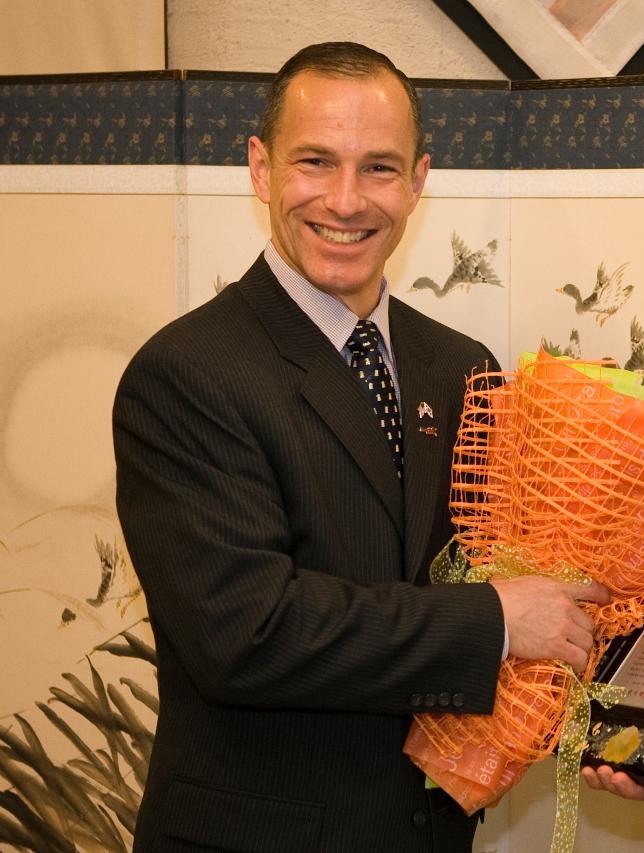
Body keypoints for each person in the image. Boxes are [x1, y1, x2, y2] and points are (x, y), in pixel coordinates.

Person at [113, 42, 607, 852]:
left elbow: (514, 575)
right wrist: (495, 621)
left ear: (418, 180)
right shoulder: (187, 375)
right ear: (260, 168)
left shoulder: (462, 368)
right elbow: (248, 633)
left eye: (378, 168)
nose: (345, 200)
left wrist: (621, 724)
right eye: (315, 162)